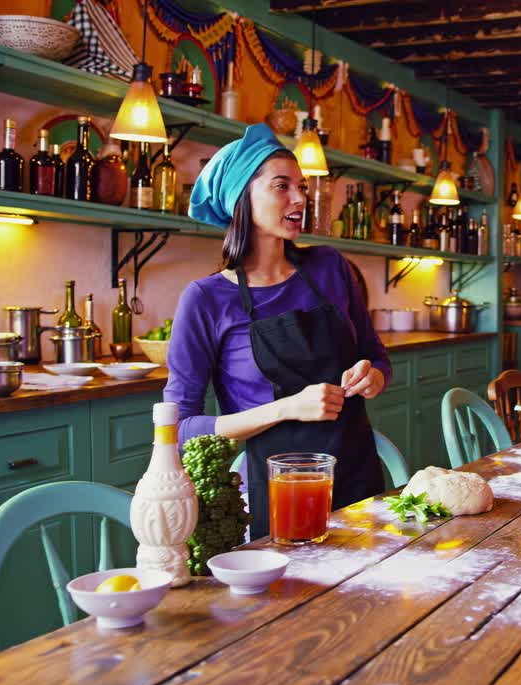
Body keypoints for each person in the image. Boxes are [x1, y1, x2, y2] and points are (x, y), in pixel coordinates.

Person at [165, 124, 391, 538]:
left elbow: (375, 354)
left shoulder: (329, 267)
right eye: (282, 186)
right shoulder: (206, 299)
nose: (301, 198)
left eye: (302, 187)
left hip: (358, 479)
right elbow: (179, 429)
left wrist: (373, 376)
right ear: (241, 198)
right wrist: (286, 408)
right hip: (275, 495)